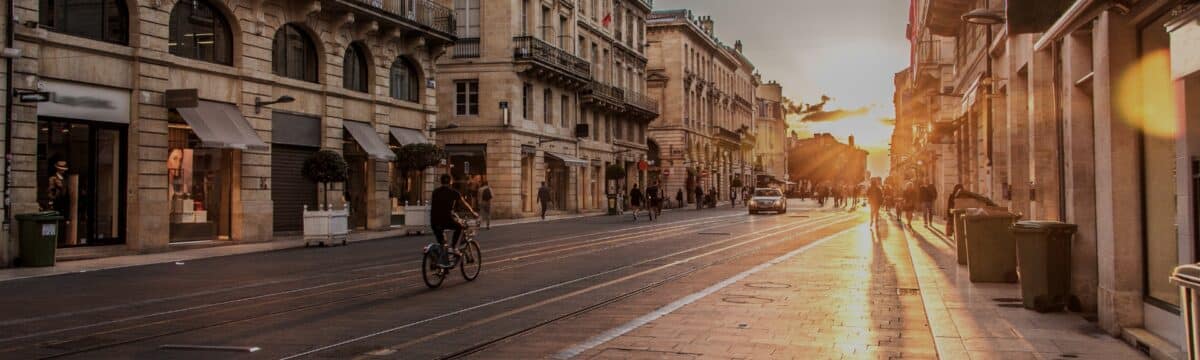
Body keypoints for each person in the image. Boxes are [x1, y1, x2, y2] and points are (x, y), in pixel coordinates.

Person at [430, 174, 479, 264]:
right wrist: (473, 212)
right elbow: (464, 204)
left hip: (434, 221)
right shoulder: (453, 192)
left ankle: (441, 264)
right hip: (446, 219)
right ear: (450, 182)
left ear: (441, 182)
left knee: (442, 243)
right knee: (459, 227)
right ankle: (454, 248)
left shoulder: (435, 192)